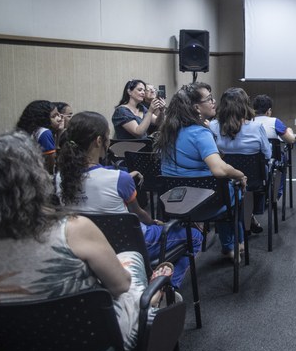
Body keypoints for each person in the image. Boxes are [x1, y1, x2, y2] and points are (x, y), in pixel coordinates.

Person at [0, 130, 170, 351]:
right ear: (35, 176)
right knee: (131, 258)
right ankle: (153, 298)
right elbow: (119, 286)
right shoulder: (73, 229)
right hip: (93, 346)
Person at [57, 111, 202, 289]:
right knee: (194, 235)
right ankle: (167, 289)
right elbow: (140, 214)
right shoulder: (119, 179)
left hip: (83, 246)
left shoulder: (60, 178)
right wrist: (154, 222)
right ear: (99, 141)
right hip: (129, 244)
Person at [155, 83, 248, 259]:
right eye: (209, 99)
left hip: (172, 202)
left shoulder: (168, 131)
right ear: (196, 107)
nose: (214, 102)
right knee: (235, 191)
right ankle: (235, 244)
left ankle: (229, 245)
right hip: (202, 203)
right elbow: (219, 169)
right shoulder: (200, 133)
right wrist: (240, 175)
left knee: (226, 190)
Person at [210, 88, 272, 235]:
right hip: (253, 180)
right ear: (245, 105)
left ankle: (242, 218)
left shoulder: (212, 126)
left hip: (223, 181)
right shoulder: (256, 127)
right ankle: (248, 216)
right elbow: (267, 154)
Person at [16, 99, 60, 174]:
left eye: (58, 115)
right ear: (43, 118)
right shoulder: (45, 132)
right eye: (54, 116)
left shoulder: (28, 131)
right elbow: (51, 159)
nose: (59, 119)